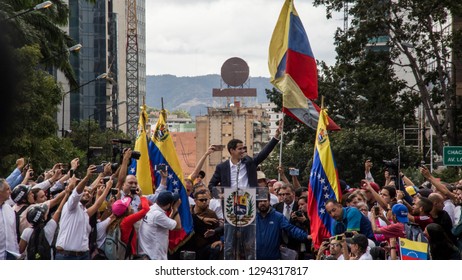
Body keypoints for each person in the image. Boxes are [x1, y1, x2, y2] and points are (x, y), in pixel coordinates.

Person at [55, 165, 111, 260]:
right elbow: (77, 191)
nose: (87, 193)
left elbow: (97, 205)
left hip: (84, 255)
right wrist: (87, 176)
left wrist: (107, 188)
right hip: (67, 256)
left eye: (89, 192)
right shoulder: (71, 206)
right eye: (84, 191)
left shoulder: (84, 212)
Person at [208, 120, 282, 190]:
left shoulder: (250, 163)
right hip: (230, 201)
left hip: (249, 200)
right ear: (232, 150)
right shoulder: (222, 167)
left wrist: (276, 135)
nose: (243, 151)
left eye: (243, 149)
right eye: (240, 149)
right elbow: (211, 186)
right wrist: (220, 194)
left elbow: (264, 152)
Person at [256, 194, 310, 260]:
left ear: (269, 201)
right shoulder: (252, 218)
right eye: (260, 201)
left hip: (273, 258)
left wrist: (306, 236)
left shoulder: (278, 217)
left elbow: (290, 229)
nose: (262, 203)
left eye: (265, 201)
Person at [106, 187, 150, 259]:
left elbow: (118, 208)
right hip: (127, 255)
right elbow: (146, 209)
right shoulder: (127, 221)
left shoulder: (114, 219)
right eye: (129, 205)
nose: (130, 205)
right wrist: (141, 196)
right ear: (126, 210)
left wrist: (128, 196)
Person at [138, 191, 182, 260]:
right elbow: (178, 227)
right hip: (154, 257)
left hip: (147, 253)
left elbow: (168, 222)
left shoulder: (152, 209)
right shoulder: (158, 215)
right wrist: (175, 208)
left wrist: (172, 210)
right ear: (168, 205)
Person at [182, 189, 223, 259]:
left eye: (206, 200)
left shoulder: (211, 214)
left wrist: (220, 241)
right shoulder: (189, 211)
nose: (204, 202)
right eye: (201, 200)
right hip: (188, 244)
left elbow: (216, 231)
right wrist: (202, 218)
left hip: (204, 246)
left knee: (215, 249)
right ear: (195, 201)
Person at [0, 178, 19, 260]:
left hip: (11, 254)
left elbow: (13, 233)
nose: (11, 192)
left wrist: (16, 252)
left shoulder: (10, 209)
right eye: (7, 189)